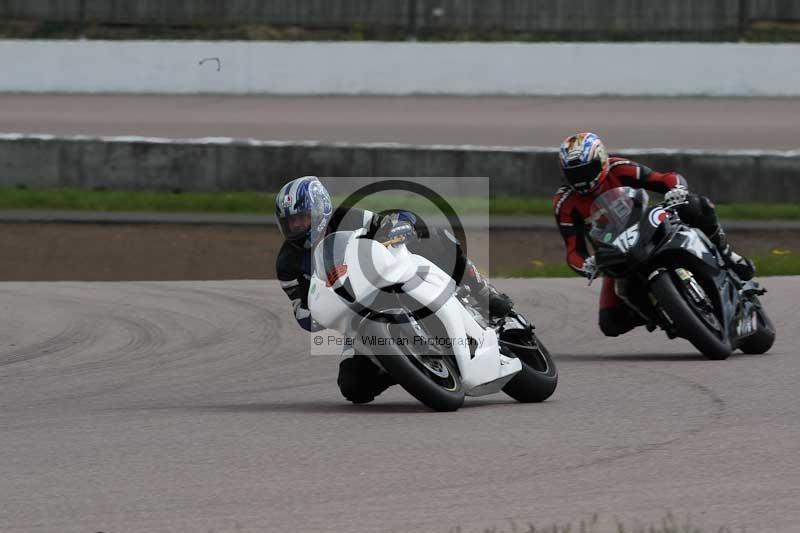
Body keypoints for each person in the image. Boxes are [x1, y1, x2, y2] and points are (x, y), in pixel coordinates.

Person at [275, 175, 513, 403]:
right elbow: (300, 307)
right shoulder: (287, 263)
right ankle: (402, 364)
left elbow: (386, 222)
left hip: (388, 281)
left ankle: (482, 291)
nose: (296, 226)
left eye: (301, 218)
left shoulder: (348, 217)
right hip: (355, 316)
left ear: (320, 209)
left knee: (435, 236)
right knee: (353, 388)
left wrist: (402, 224)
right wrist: (313, 316)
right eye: (290, 222)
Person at [553, 132, 755, 337]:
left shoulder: (620, 168)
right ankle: (664, 312)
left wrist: (676, 189)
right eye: (575, 175)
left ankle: (728, 254)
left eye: (587, 171)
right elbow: (573, 251)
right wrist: (587, 264)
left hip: (646, 226)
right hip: (615, 253)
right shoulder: (565, 202)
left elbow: (665, 178)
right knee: (610, 323)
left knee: (696, 205)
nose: (582, 180)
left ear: (602, 160)